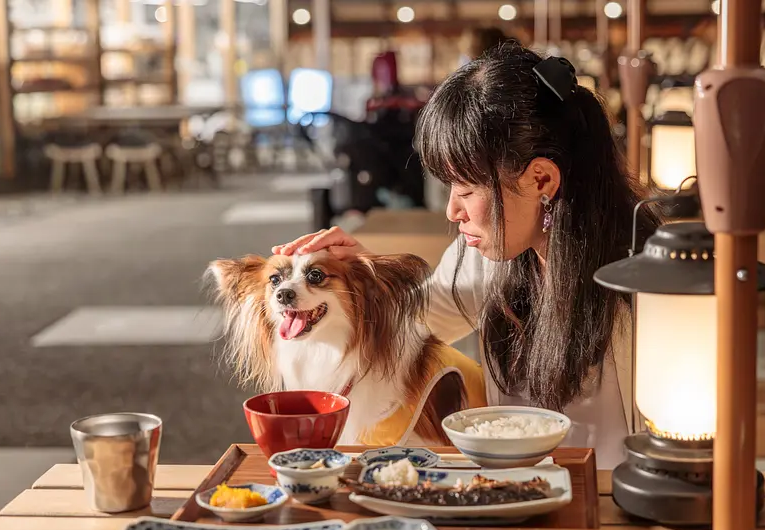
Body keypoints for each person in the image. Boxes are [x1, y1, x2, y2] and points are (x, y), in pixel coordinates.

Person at [272, 43, 659, 469]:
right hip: (516, 491)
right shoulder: (488, 255)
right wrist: (366, 273)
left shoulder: (646, 275)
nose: (451, 211)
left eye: (466, 190)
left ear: (542, 179)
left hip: (613, 503)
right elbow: (419, 319)